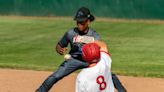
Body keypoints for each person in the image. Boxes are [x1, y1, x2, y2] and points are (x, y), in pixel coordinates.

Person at [36, 7, 126, 92]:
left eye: (82, 22)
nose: (79, 24)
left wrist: (85, 39)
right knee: (56, 76)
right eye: (78, 22)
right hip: (74, 59)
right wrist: (59, 49)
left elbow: (101, 47)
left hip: (90, 61)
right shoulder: (70, 33)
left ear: (88, 22)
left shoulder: (94, 35)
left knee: (109, 74)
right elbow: (60, 45)